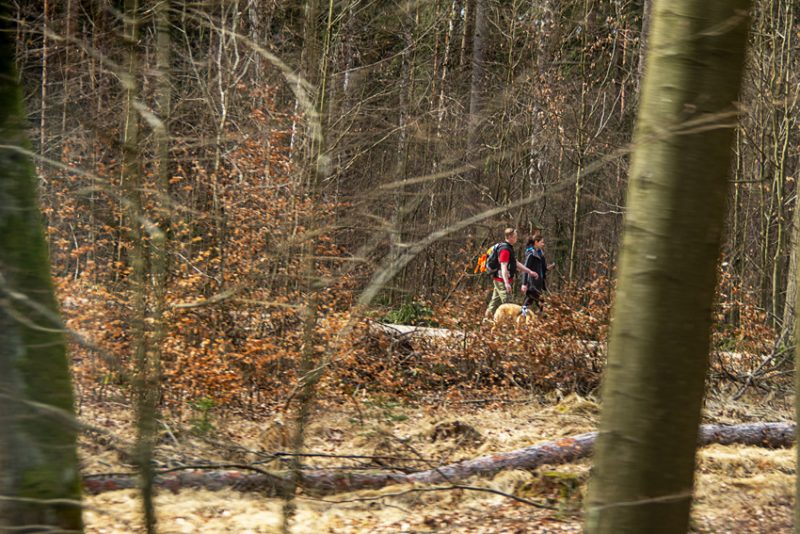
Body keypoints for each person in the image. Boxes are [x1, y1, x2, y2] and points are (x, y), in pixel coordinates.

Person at [484, 228, 539, 320]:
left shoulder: (508, 248)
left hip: (500, 280)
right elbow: (503, 267)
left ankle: (486, 321)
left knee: (494, 302)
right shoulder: (505, 250)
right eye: (515, 236)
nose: (516, 238)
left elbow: (515, 263)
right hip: (501, 281)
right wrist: (506, 283)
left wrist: (529, 271)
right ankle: (511, 325)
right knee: (509, 304)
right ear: (509, 237)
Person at [521, 235, 555, 315]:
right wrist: (524, 283)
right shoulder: (531, 254)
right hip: (532, 283)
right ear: (536, 242)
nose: (543, 244)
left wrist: (550, 267)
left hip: (538, 283)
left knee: (529, 301)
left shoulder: (540, 254)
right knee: (540, 302)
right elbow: (525, 269)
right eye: (542, 242)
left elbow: (543, 269)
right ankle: (540, 318)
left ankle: (523, 316)